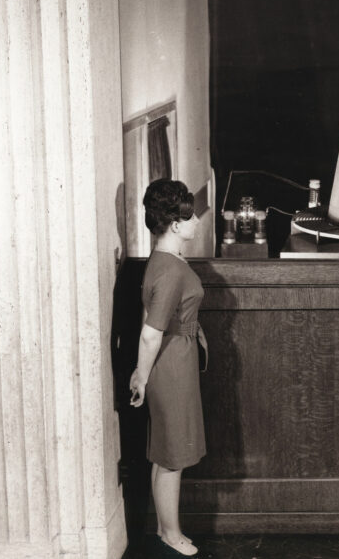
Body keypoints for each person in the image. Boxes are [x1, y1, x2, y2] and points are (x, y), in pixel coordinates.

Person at [129, 179, 208, 557]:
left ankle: (165, 528)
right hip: (170, 365)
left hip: (175, 359)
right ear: (176, 224)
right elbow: (149, 333)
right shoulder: (172, 270)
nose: (196, 222)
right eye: (191, 217)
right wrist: (140, 377)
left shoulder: (165, 261)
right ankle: (172, 535)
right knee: (173, 455)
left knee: (167, 453)